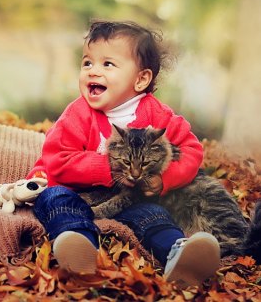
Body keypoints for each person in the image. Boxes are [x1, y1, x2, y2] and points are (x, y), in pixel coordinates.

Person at [26, 20, 220, 287]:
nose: (93, 71)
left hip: (131, 199)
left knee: (153, 214)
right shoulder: (78, 113)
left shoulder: (156, 113)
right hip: (77, 192)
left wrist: (165, 180)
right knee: (55, 199)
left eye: (107, 64)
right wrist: (109, 168)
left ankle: (179, 253)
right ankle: (80, 246)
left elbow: (191, 149)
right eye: (87, 63)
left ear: (141, 79)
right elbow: (56, 160)